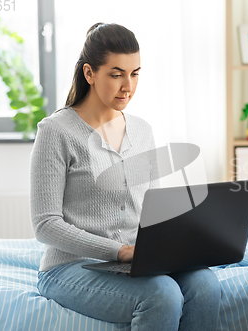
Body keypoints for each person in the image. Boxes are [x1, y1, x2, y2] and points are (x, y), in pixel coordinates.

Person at [30, 23, 221, 330]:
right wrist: (118, 251)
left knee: (206, 285)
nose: (128, 86)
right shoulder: (56, 132)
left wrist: (180, 242)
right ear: (90, 73)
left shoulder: (142, 130)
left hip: (134, 261)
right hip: (70, 267)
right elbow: (45, 226)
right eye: (116, 74)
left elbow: (150, 209)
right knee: (163, 295)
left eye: (135, 74)